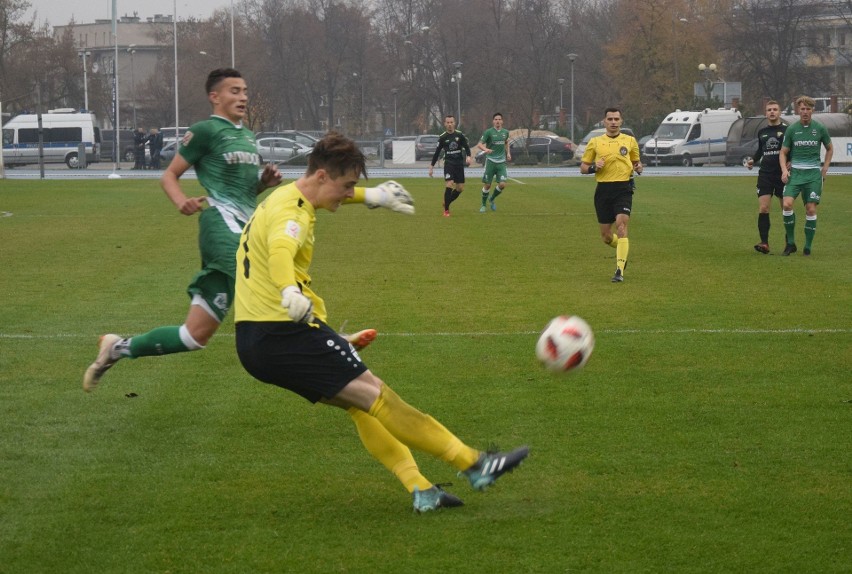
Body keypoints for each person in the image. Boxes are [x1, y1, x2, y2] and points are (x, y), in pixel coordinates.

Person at [234, 132, 529, 512]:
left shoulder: (288, 197)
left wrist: (372, 197)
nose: (348, 193)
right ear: (322, 176)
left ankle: (422, 490)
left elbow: (309, 212)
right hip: (283, 331)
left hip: (258, 339)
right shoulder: (291, 215)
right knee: (380, 397)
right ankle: (474, 464)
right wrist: (289, 290)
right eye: (348, 186)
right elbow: (280, 250)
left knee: (359, 405)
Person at [83, 68, 292, 391]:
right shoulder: (206, 131)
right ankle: (317, 338)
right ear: (215, 96)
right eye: (234, 91)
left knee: (194, 336)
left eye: (245, 91)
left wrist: (263, 182)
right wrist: (181, 201)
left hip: (246, 225)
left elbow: (243, 192)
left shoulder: (247, 136)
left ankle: (118, 347)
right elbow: (169, 175)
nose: (243, 97)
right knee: (265, 275)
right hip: (220, 225)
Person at [580, 107, 642, 282]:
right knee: (606, 236)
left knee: (621, 227)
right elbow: (583, 168)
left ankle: (619, 270)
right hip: (603, 190)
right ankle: (623, 251)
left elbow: (637, 163)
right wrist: (594, 167)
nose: (613, 122)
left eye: (616, 119)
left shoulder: (630, 141)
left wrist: (639, 168)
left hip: (623, 189)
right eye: (610, 119)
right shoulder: (595, 142)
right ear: (604, 122)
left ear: (621, 121)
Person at [779, 95, 833, 256]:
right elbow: (783, 152)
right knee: (787, 204)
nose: (805, 112)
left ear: (812, 110)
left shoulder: (820, 128)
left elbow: (830, 148)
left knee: (810, 209)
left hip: (813, 176)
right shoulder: (792, 129)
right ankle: (790, 243)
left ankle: (808, 246)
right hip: (795, 174)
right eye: (802, 109)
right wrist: (784, 170)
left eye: (808, 109)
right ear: (798, 110)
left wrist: (825, 168)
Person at [746, 100, 788, 254]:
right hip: (765, 174)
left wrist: (790, 163)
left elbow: (793, 150)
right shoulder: (762, 132)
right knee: (763, 208)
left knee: (786, 208)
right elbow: (760, 150)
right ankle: (764, 243)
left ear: (780, 112)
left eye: (775, 109)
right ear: (766, 113)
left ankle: (789, 242)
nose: (772, 112)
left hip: (782, 174)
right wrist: (753, 160)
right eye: (769, 109)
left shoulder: (787, 130)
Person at [429, 115, 471, 217]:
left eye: (451, 122)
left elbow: (466, 147)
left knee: (460, 188)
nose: (449, 124)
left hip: (459, 164)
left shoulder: (459, 135)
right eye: (447, 122)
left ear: (454, 123)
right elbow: (437, 152)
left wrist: (469, 156)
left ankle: (446, 202)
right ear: (445, 124)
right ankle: (446, 211)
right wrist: (431, 166)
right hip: (449, 163)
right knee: (449, 184)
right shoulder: (442, 137)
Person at [475, 112, 512, 213]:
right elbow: (479, 144)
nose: (498, 121)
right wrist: (486, 149)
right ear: (493, 121)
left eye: (499, 119)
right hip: (490, 161)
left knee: (502, 184)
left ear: (502, 121)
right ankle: (483, 204)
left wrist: (508, 153)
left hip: (501, 162)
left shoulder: (505, 132)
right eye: (496, 119)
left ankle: (491, 198)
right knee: (487, 185)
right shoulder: (489, 132)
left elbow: (506, 142)